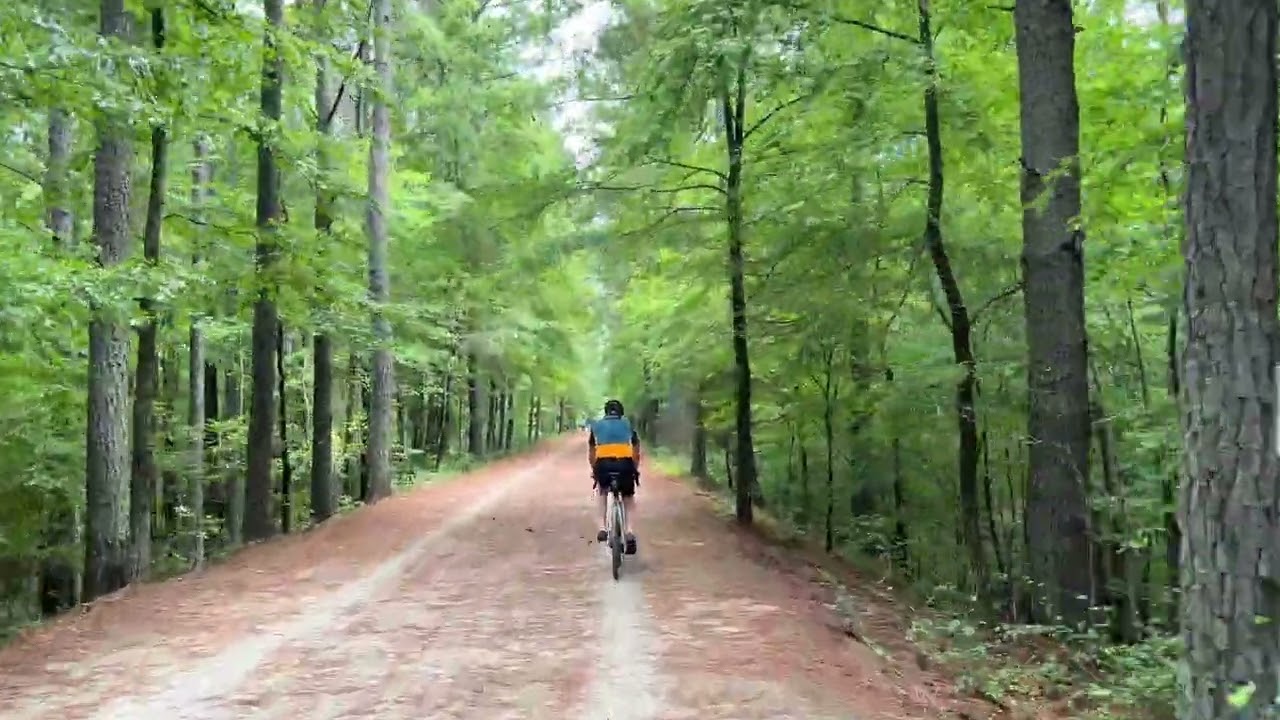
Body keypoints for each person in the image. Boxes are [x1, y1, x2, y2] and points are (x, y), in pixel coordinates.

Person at [588, 398, 640, 554]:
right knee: (628, 498)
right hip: (625, 465)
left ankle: (603, 528)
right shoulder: (628, 425)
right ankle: (629, 531)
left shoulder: (596, 426)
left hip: (603, 465)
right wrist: (634, 469)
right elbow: (636, 450)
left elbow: (592, 453)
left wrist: (594, 470)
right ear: (621, 413)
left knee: (602, 492)